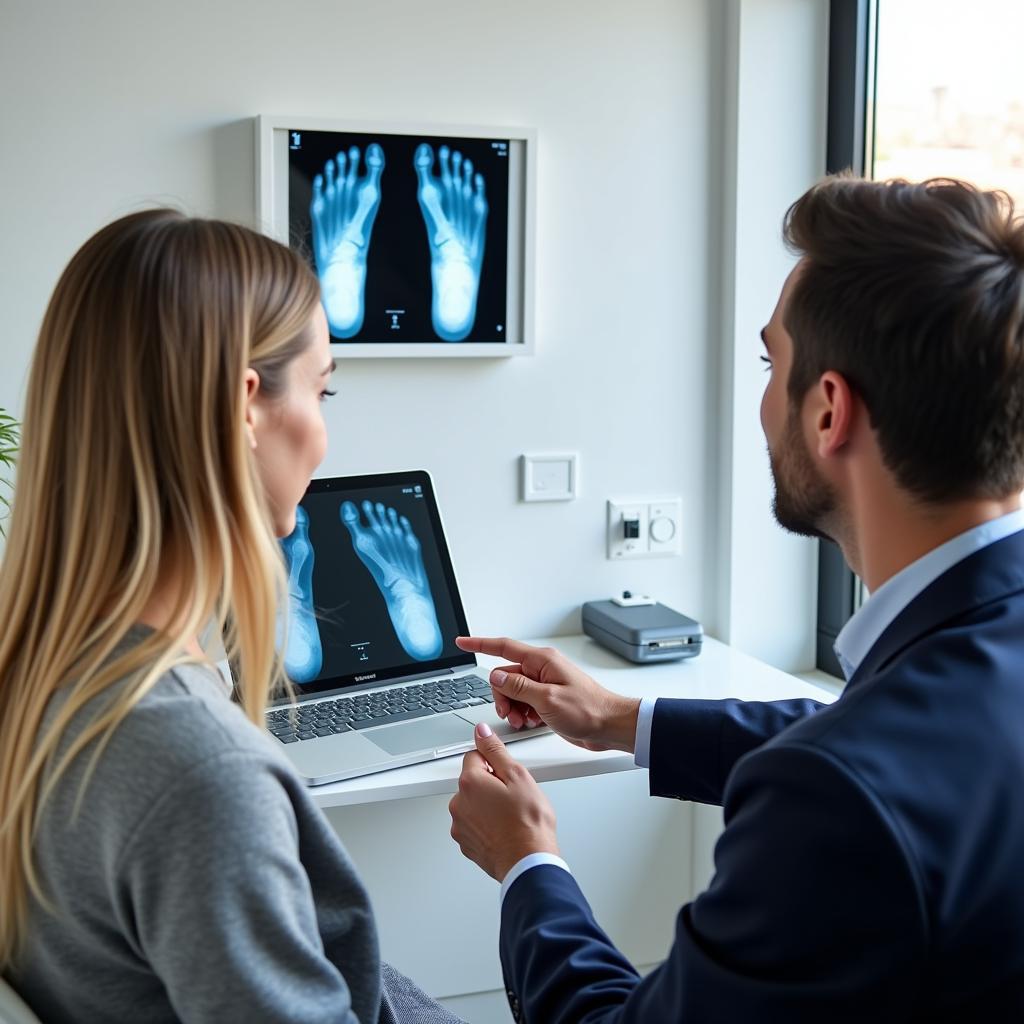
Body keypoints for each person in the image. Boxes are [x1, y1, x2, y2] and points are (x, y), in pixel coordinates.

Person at [448, 175, 1024, 1021]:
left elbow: (852, 776)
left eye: (770, 364)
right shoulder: (961, 680)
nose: (763, 402)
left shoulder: (832, 796)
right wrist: (620, 719)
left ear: (829, 411)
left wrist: (529, 865)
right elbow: (902, 753)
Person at [0, 210, 462, 1024]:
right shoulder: (201, 772)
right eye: (324, 390)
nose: (323, 432)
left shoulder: (39, 679)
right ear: (245, 406)